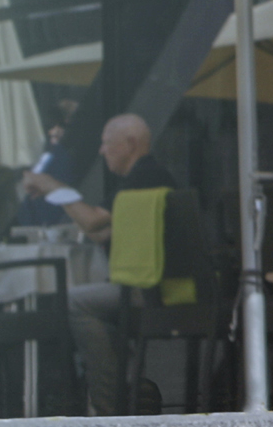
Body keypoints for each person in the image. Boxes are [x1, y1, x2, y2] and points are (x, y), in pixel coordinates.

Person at [53, 114, 182, 415]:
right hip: (154, 285)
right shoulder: (150, 177)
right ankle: (125, 388)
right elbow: (100, 230)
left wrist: (54, 190)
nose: (101, 150)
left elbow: (92, 220)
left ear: (131, 144)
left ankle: (107, 405)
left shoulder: (145, 178)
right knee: (95, 308)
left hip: (153, 289)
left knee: (74, 303)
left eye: (106, 143)